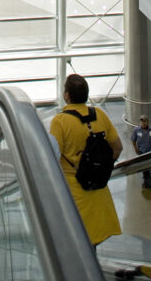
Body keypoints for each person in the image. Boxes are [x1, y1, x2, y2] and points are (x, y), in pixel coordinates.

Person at [50, 73, 123, 247]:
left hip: (73, 192)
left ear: (66, 95)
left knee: (75, 241)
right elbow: (118, 147)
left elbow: (52, 157)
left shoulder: (60, 121)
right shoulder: (99, 114)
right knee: (92, 243)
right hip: (98, 190)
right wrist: (101, 168)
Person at [131, 115, 151, 189]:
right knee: (145, 168)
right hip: (142, 152)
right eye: (142, 121)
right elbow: (133, 140)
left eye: (144, 121)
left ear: (148, 122)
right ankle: (147, 181)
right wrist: (135, 148)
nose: (143, 123)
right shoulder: (136, 130)